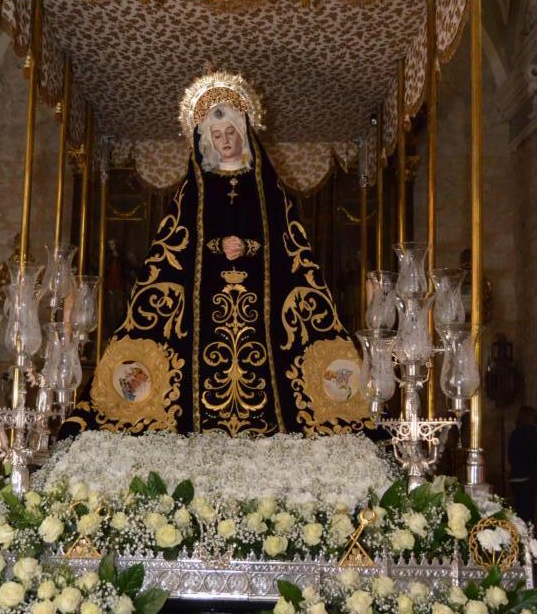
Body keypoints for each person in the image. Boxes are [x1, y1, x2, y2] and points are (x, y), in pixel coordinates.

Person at [61, 70, 367, 437]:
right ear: (207, 139)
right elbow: (175, 246)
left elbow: (289, 247)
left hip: (262, 305)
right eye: (217, 135)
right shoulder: (194, 189)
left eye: (231, 133)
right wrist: (215, 247)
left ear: (244, 134)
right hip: (204, 304)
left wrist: (250, 247)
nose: (225, 141)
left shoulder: (269, 190)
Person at [507, 405, 537, 524]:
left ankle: (519, 534)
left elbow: (511, 457)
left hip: (515, 478)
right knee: (528, 514)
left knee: (519, 513)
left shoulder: (514, 433)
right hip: (529, 478)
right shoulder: (532, 432)